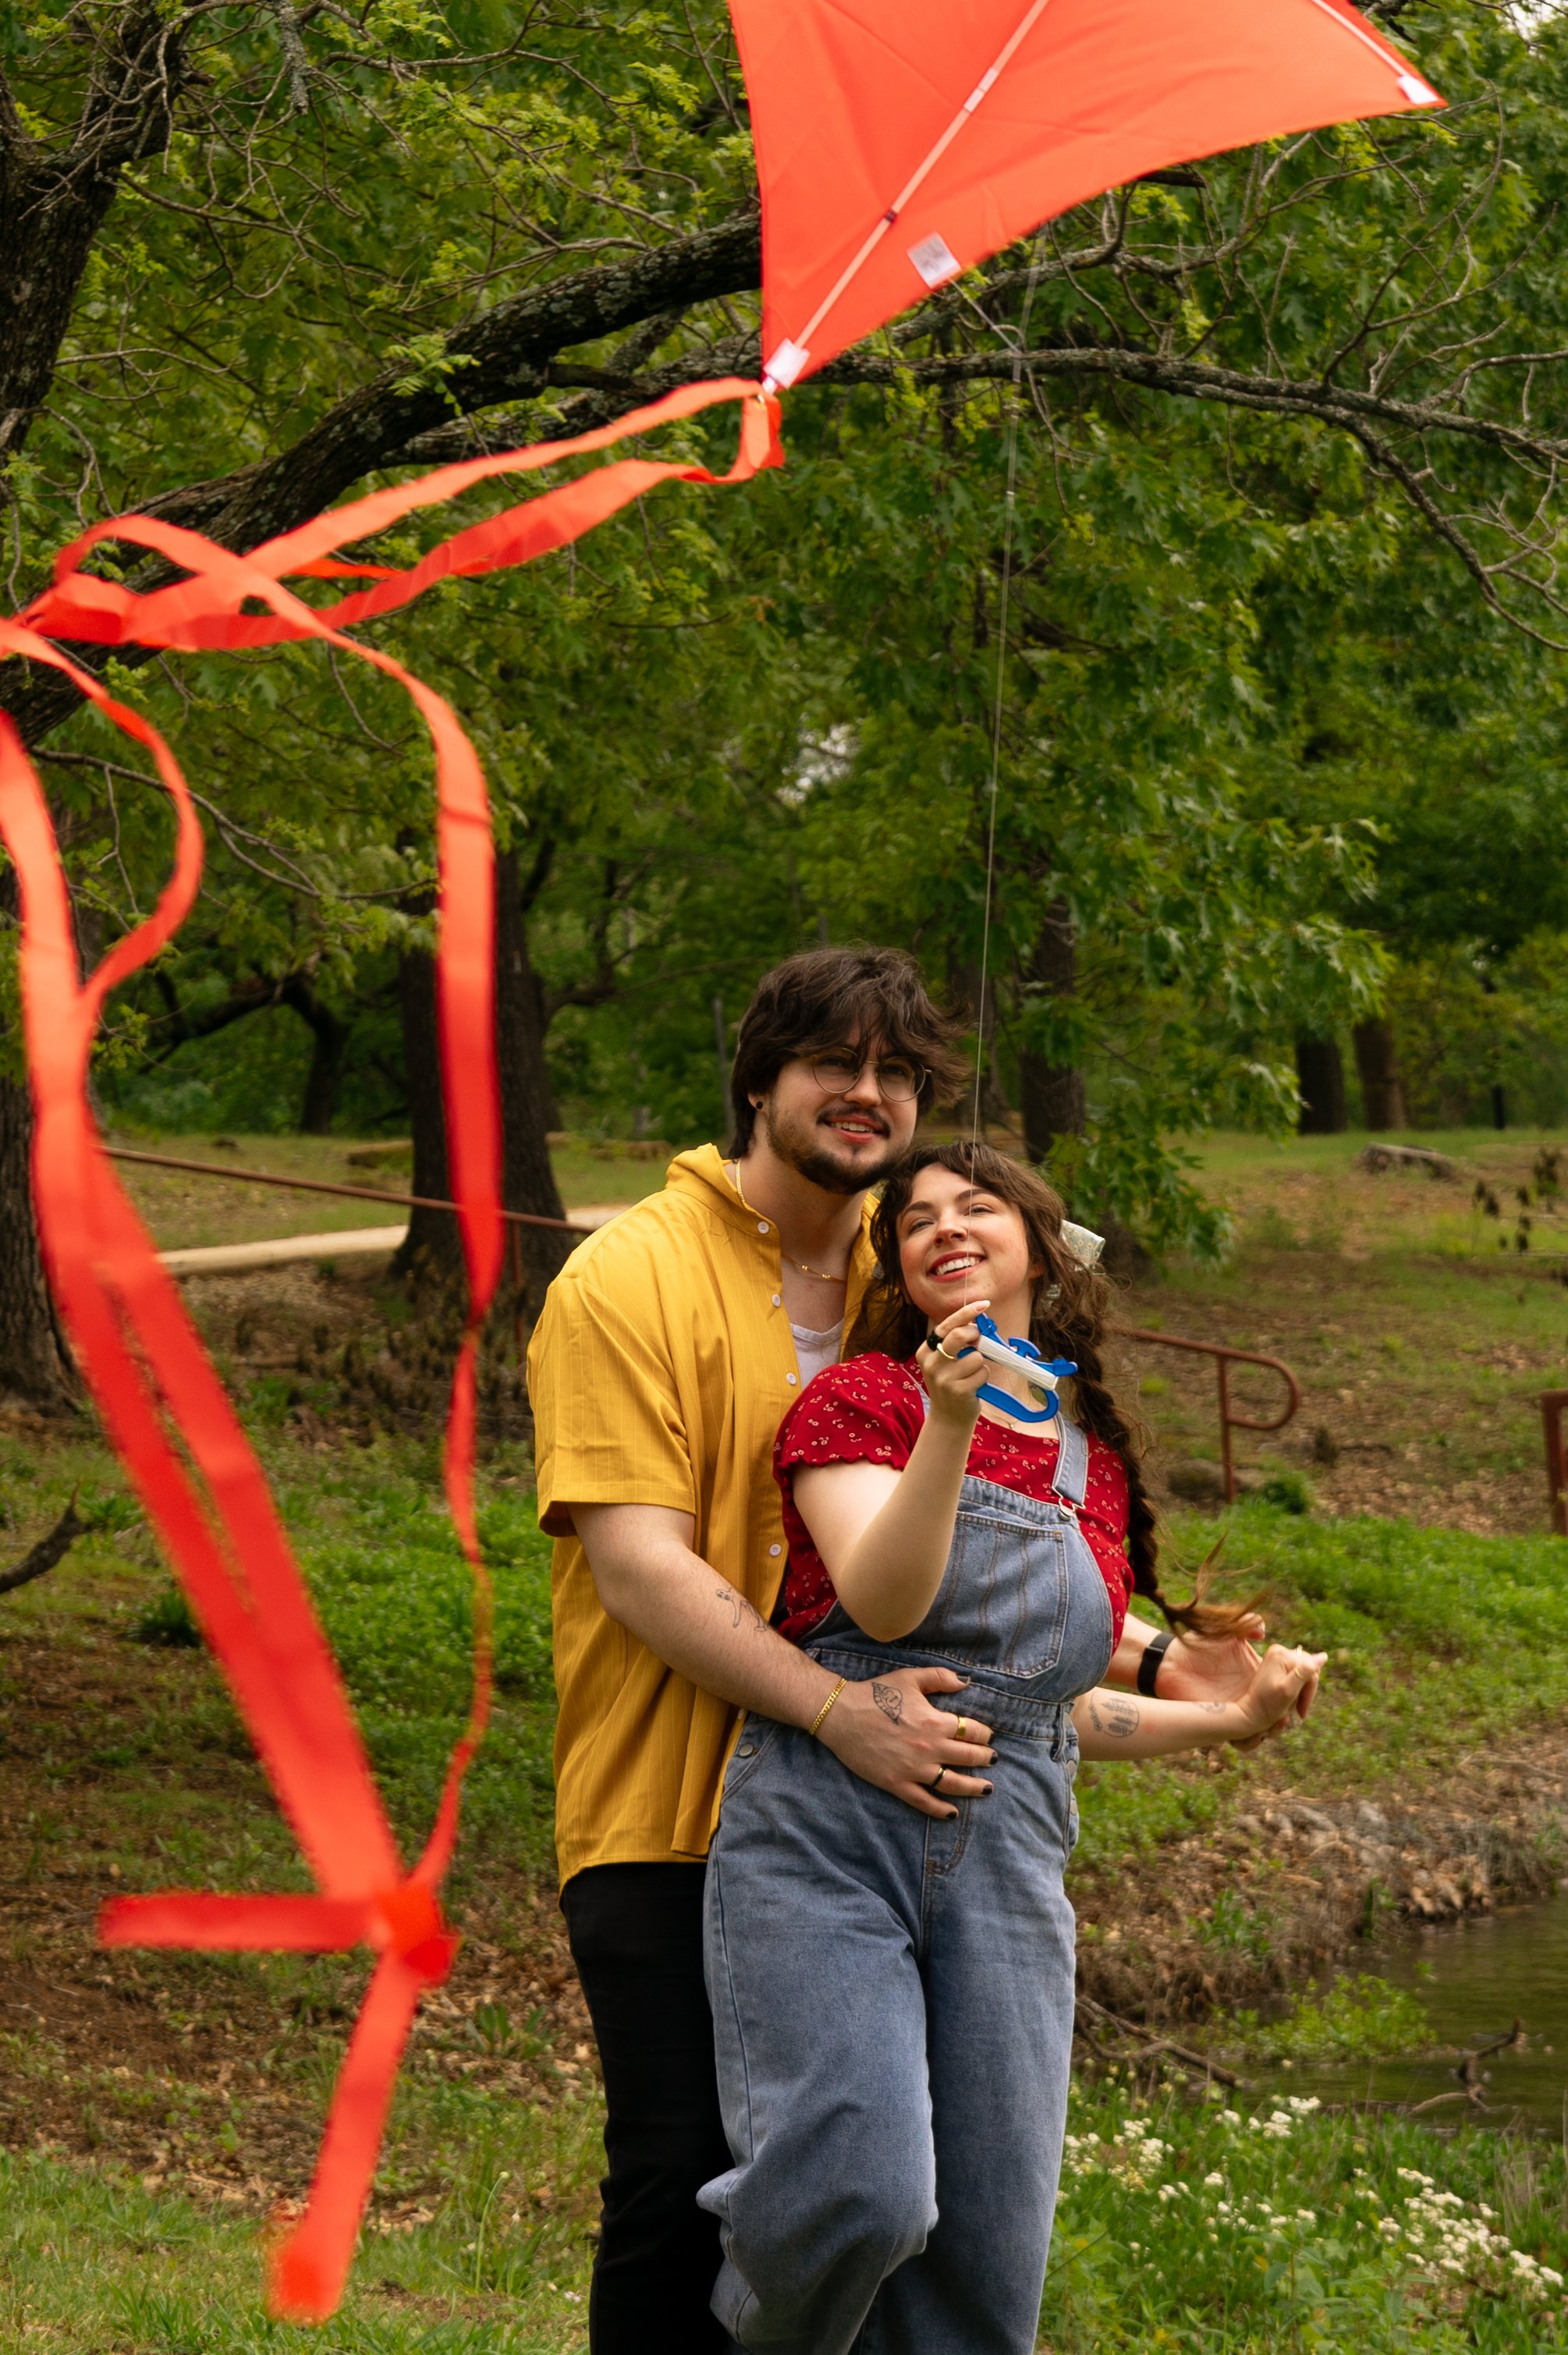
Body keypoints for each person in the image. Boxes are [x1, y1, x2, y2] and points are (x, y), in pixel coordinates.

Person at [528, 948, 1293, 2353]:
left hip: (919, 1803)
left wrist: (1149, 1660)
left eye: (896, 1073)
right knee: (698, 2193)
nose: (867, 1095)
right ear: (759, 1082)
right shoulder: (628, 1277)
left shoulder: (904, 1285)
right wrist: (836, 1712)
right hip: (674, 1810)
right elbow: (640, 1567)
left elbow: (976, 1548)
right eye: (833, 1063)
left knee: (940, 2236)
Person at [699, 1140, 1325, 2353]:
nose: (943, 1225)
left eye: (976, 1206)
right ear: (900, 1267)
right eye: (916, 1216)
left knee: (989, 2269)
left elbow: (1051, 1706)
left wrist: (1231, 1722)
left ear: (1040, 1243)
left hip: (1012, 1857)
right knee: (860, 2192)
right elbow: (883, 1607)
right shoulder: (864, 1402)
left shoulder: (1087, 1458)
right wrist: (948, 1419)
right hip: (829, 1835)